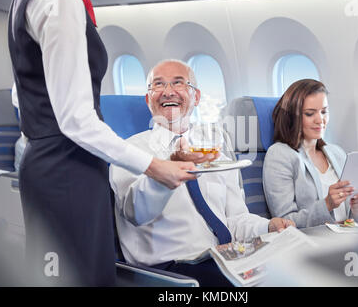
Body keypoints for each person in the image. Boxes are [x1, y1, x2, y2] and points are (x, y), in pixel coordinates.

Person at [7, 0, 196, 286]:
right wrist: (154, 166)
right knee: (72, 278)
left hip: (60, 162)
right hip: (65, 167)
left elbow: (20, 93)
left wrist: (38, 134)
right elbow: (76, 120)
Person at [110, 59, 295, 287]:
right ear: (148, 99)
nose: (168, 92)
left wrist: (268, 227)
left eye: (178, 83)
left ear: (196, 97)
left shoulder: (213, 148)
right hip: (171, 270)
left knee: (299, 271)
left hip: (226, 257)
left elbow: (234, 220)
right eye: (158, 85)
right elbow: (136, 212)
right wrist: (169, 169)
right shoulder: (128, 151)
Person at [263, 79, 358, 228]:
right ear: (292, 117)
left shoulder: (337, 153)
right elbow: (285, 222)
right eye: (309, 113)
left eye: (324, 111)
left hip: (346, 237)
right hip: (314, 242)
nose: (320, 120)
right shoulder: (280, 155)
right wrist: (326, 205)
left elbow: (347, 217)